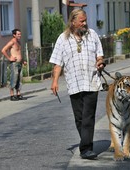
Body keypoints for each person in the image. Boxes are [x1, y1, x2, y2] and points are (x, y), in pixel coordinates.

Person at [49, 9, 105, 160]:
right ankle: (86, 144)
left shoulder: (92, 35)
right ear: (73, 22)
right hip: (74, 83)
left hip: (91, 81)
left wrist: (100, 63)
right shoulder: (63, 39)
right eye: (82, 21)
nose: (85, 23)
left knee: (88, 116)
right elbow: (57, 64)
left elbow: (100, 55)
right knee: (79, 118)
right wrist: (54, 82)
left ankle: (86, 149)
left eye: (85, 20)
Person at [1, 28, 27, 101]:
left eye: (20, 34)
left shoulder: (19, 42)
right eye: (18, 34)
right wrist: (9, 58)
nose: (20, 35)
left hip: (19, 63)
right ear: (14, 35)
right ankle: (12, 95)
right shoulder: (11, 42)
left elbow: (19, 53)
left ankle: (18, 94)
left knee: (19, 79)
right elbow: (3, 50)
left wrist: (23, 61)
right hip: (14, 63)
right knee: (14, 78)